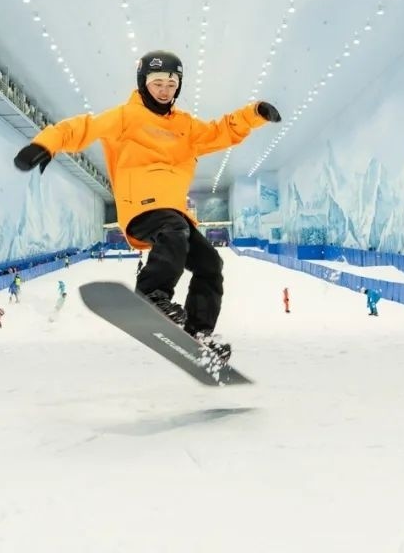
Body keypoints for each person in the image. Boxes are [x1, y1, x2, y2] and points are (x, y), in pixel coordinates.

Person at [14, 50, 280, 362]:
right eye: (157, 83)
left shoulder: (185, 126)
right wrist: (44, 143)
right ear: (143, 83)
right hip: (140, 207)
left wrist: (254, 114)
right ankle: (153, 294)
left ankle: (199, 332)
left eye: (171, 84)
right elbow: (83, 127)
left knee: (210, 264)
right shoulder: (126, 116)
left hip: (173, 212)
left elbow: (220, 132)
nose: (164, 90)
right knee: (173, 228)